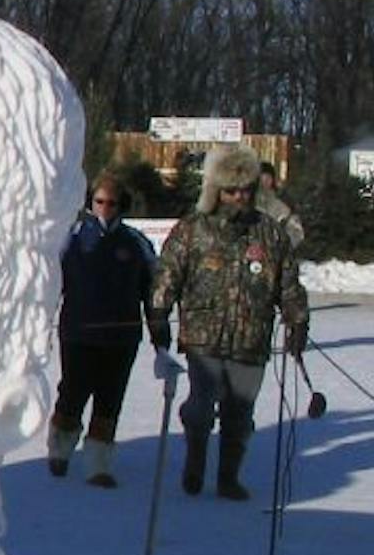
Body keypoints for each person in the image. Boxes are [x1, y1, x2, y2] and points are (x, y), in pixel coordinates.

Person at [149, 142, 310, 501]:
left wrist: (297, 319)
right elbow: (167, 274)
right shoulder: (193, 230)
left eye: (246, 189)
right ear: (216, 191)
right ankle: (195, 463)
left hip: (251, 339)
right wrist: (159, 313)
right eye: (231, 189)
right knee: (200, 407)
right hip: (203, 338)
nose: (239, 196)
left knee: (239, 413)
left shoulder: (270, 233)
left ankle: (228, 477)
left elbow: (288, 283)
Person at [48, 173, 160, 487]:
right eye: (100, 201)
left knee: (110, 400)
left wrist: (160, 340)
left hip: (121, 338)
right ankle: (60, 448)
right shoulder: (71, 237)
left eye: (112, 203)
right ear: (90, 202)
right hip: (79, 333)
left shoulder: (136, 243)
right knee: (72, 392)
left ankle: (98, 464)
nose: (105, 208)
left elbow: (153, 293)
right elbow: (51, 286)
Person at [258, 160, 306, 250]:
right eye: (260, 180)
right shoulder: (247, 201)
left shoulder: (282, 201)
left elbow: (296, 232)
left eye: (267, 179)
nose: (264, 183)